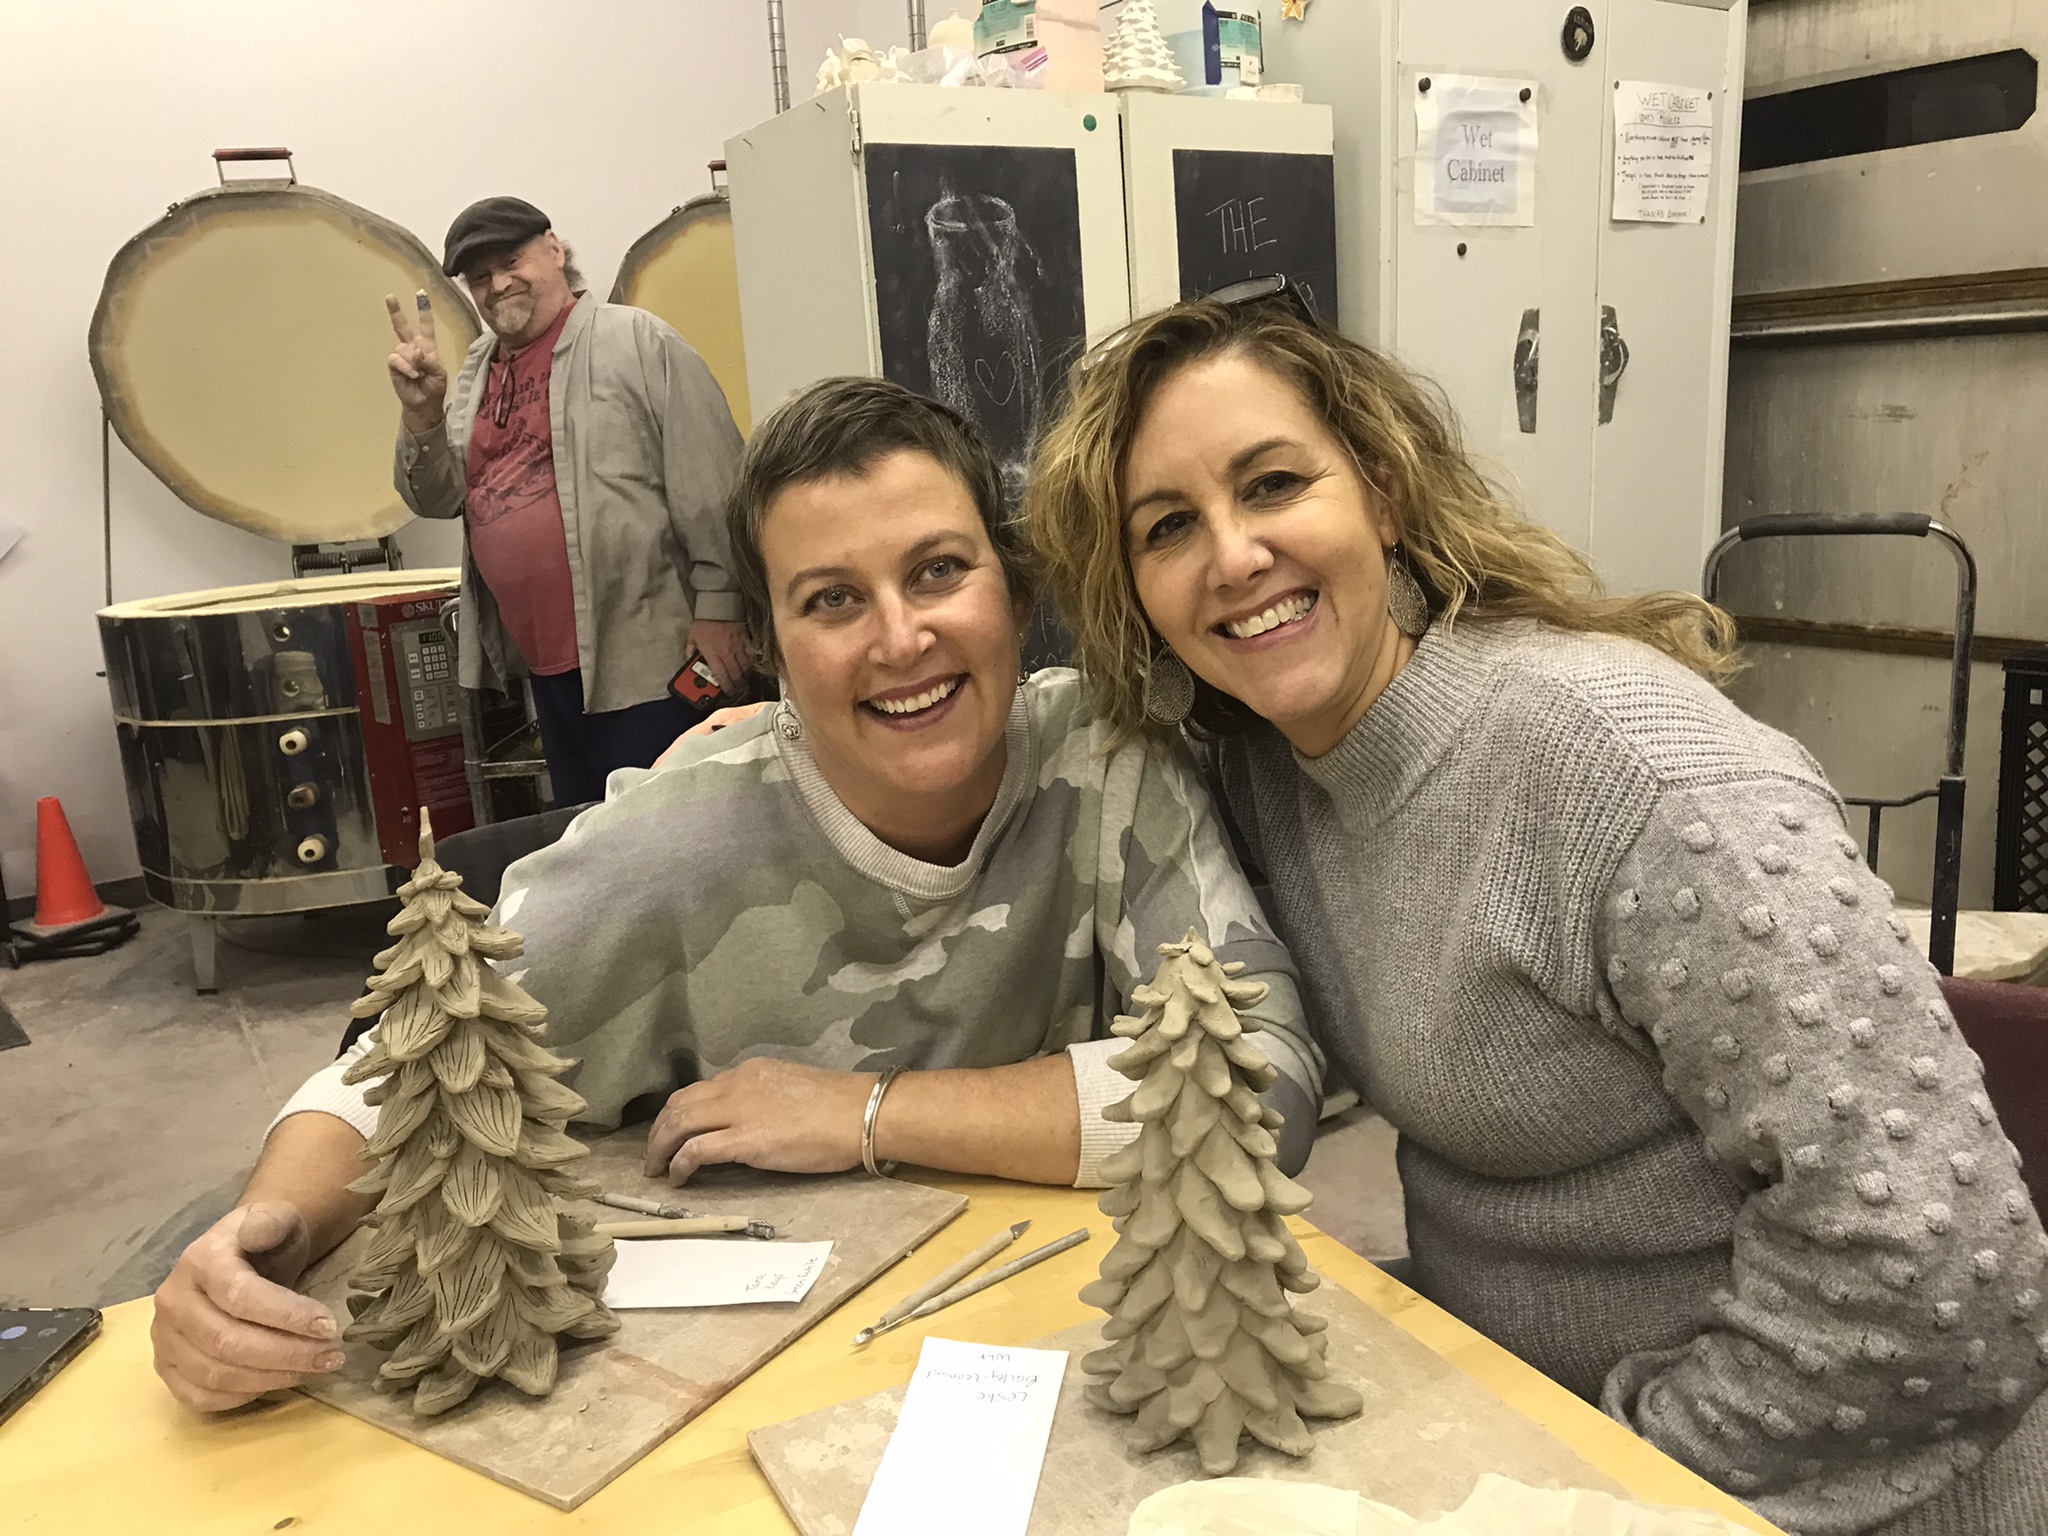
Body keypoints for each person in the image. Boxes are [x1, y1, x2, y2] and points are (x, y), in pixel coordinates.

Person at [1026, 289, 2048, 1536]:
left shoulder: (1635, 771)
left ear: (1384, 492)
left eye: (1274, 484)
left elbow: (1941, 1277)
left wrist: (1605, 1480)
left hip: (1793, 1486)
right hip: (1504, 1413)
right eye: (1169, 526)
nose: (1232, 555)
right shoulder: (1260, 773)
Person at [150, 376, 1322, 1413]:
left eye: (938, 571)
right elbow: (406, 1070)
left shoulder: (1112, 764)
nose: (901, 638)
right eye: (832, 601)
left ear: (1016, 594)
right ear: (767, 647)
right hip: (752, 1389)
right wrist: (267, 1239)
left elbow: (1260, 1087)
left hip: (1054, 1358)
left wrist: (863, 1111)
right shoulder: (669, 844)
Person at [384, 195, 753, 806]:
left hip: (653, 664)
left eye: (512, 261)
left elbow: (714, 481)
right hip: (547, 670)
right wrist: (421, 411)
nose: (498, 284)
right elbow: (438, 499)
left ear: (555, 251)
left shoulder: (636, 339)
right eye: (480, 277)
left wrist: (722, 608)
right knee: (590, 841)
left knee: (670, 832)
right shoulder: (477, 371)